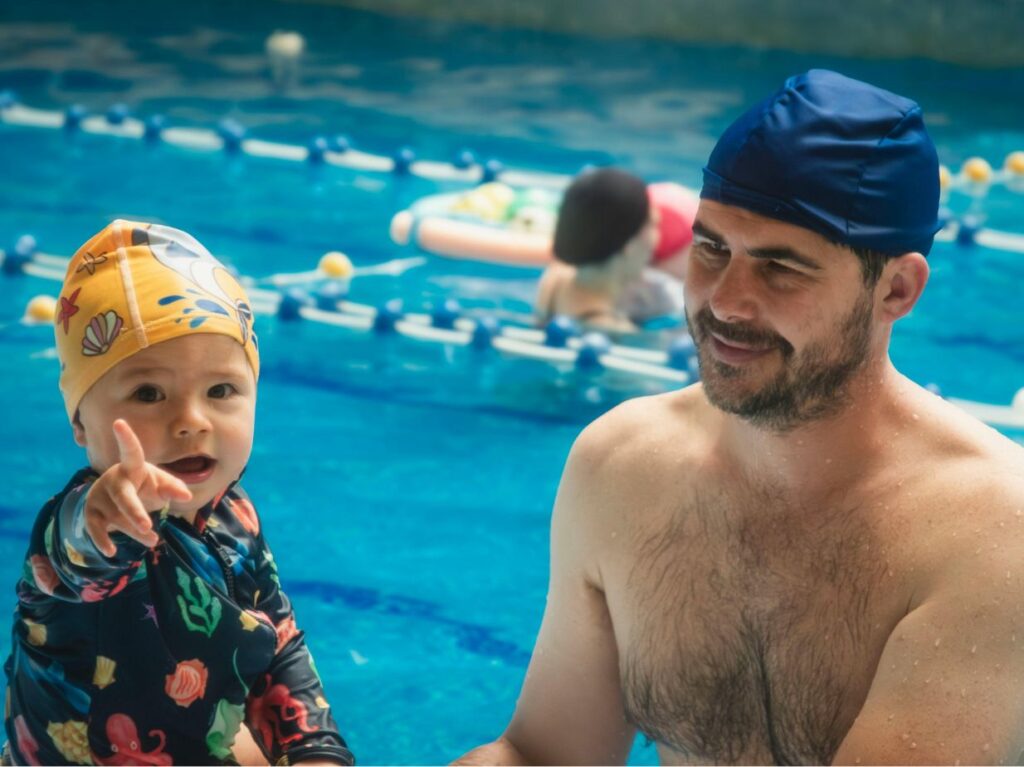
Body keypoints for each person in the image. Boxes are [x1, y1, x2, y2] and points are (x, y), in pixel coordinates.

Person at [458, 68, 1024, 765]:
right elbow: (543, 754)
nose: (725, 301)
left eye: (781, 267)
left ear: (897, 289)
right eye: (711, 248)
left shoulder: (990, 528)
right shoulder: (622, 465)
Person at [3, 221, 354, 766]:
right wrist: (106, 514)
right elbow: (81, 560)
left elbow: (278, 644)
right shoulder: (76, 527)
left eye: (221, 390)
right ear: (80, 422)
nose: (191, 420)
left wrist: (313, 749)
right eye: (148, 393)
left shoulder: (235, 518)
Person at [534, 167, 663, 332]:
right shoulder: (615, 330)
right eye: (653, 224)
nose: (658, 238)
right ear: (628, 244)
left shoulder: (554, 277)